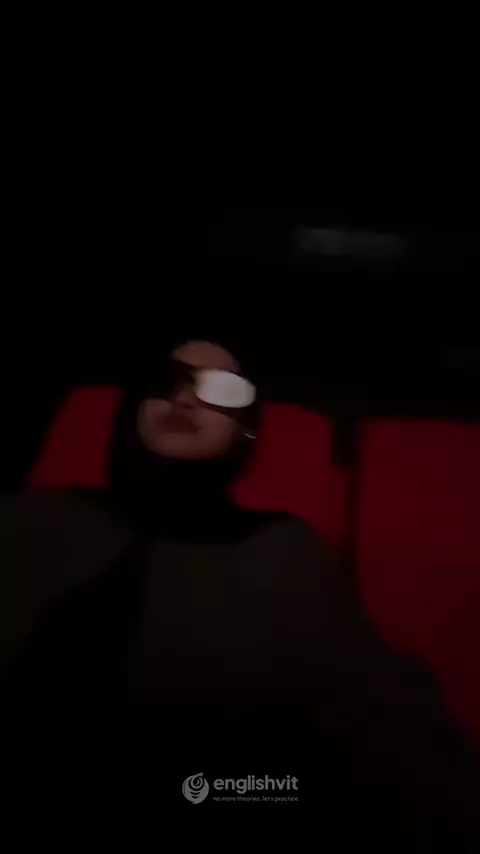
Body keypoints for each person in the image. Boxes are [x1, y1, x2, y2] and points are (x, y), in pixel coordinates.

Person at [0, 339, 479, 845]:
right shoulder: (35, 517)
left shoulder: (283, 554)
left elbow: (383, 718)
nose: (184, 398)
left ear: (243, 429)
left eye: (220, 389)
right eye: (167, 382)